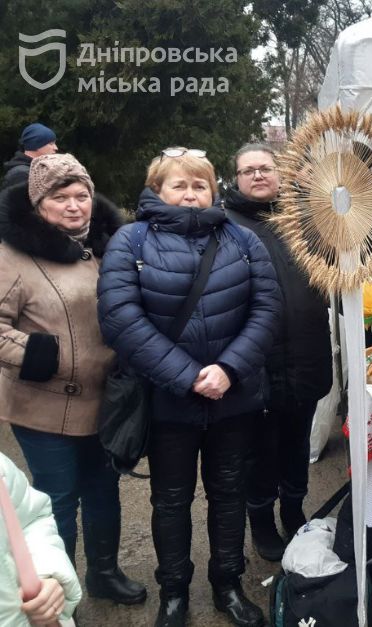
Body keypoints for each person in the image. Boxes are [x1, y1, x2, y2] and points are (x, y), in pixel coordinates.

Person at [97, 147, 281, 627]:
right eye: (179, 185)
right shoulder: (131, 240)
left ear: (214, 191)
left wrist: (229, 369)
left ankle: (228, 584)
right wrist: (187, 376)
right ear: (157, 190)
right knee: (171, 501)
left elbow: (267, 308)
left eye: (201, 185)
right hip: (169, 402)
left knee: (229, 493)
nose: (191, 194)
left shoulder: (241, 239)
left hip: (233, 398)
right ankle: (173, 592)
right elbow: (120, 318)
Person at [0, 154, 146, 606]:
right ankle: (59, 593)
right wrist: (40, 354)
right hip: (43, 406)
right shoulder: (11, 255)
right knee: (57, 501)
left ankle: (104, 573)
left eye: (81, 195)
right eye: (59, 197)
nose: (73, 205)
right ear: (37, 203)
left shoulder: (109, 248)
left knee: (104, 493)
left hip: (106, 402)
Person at [223, 143, 332, 561]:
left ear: (280, 174)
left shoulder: (303, 221)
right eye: (248, 170)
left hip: (305, 352)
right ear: (236, 179)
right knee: (259, 449)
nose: (258, 175)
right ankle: (262, 519)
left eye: (265, 168)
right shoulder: (225, 226)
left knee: (296, 442)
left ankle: (293, 507)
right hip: (256, 361)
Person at [1, 452, 82, 627]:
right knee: (62, 498)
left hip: (36, 617)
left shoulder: (2, 468)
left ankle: (103, 575)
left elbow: (31, 519)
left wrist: (46, 574)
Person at [2, 123, 58, 190]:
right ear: (36, 144)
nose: (56, 148)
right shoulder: (21, 174)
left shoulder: (35, 170)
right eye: (51, 144)